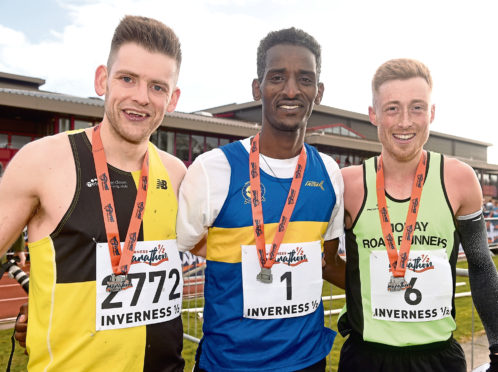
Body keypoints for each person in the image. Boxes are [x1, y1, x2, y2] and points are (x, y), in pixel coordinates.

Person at [0, 15, 186, 371]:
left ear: (173, 98)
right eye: (127, 78)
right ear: (103, 80)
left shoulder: (177, 174)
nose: (141, 97)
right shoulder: (42, 161)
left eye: (157, 87)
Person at [176, 27, 345, 371]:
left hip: (308, 360)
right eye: (277, 77)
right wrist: (252, 253)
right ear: (258, 88)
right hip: (229, 362)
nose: (291, 90)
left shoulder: (329, 172)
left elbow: (326, 259)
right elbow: (189, 241)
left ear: (319, 92)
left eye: (305, 79)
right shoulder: (212, 170)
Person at [338, 58, 498, 372]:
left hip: (439, 358)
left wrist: (497, 347)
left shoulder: (460, 179)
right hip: (365, 358)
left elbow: (480, 264)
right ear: (374, 115)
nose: (405, 122)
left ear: (432, 113)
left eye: (417, 108)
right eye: (392, 108)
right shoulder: (347, 184)